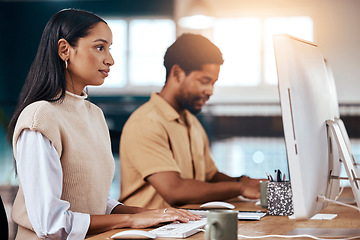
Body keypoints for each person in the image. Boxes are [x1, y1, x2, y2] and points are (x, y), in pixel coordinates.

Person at [7, 9, 200, 240]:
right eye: (100, 47)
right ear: (64, 50)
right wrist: (132, 220)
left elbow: (92, 200)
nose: (110, 59)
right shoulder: (40, 117)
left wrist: (155, 214)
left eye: (109, 48)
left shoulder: (94, 114)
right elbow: (50, 224)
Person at [119, 33, 263, 209]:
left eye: (213, 83)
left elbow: (209, 178)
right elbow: (175, 191)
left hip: (184, 225)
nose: (210, 91)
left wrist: (245, 181)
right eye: (204, 81)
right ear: (178, 73)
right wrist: (239, 188)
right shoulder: (146, 123)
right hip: (148, 232)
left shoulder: (192, 123)